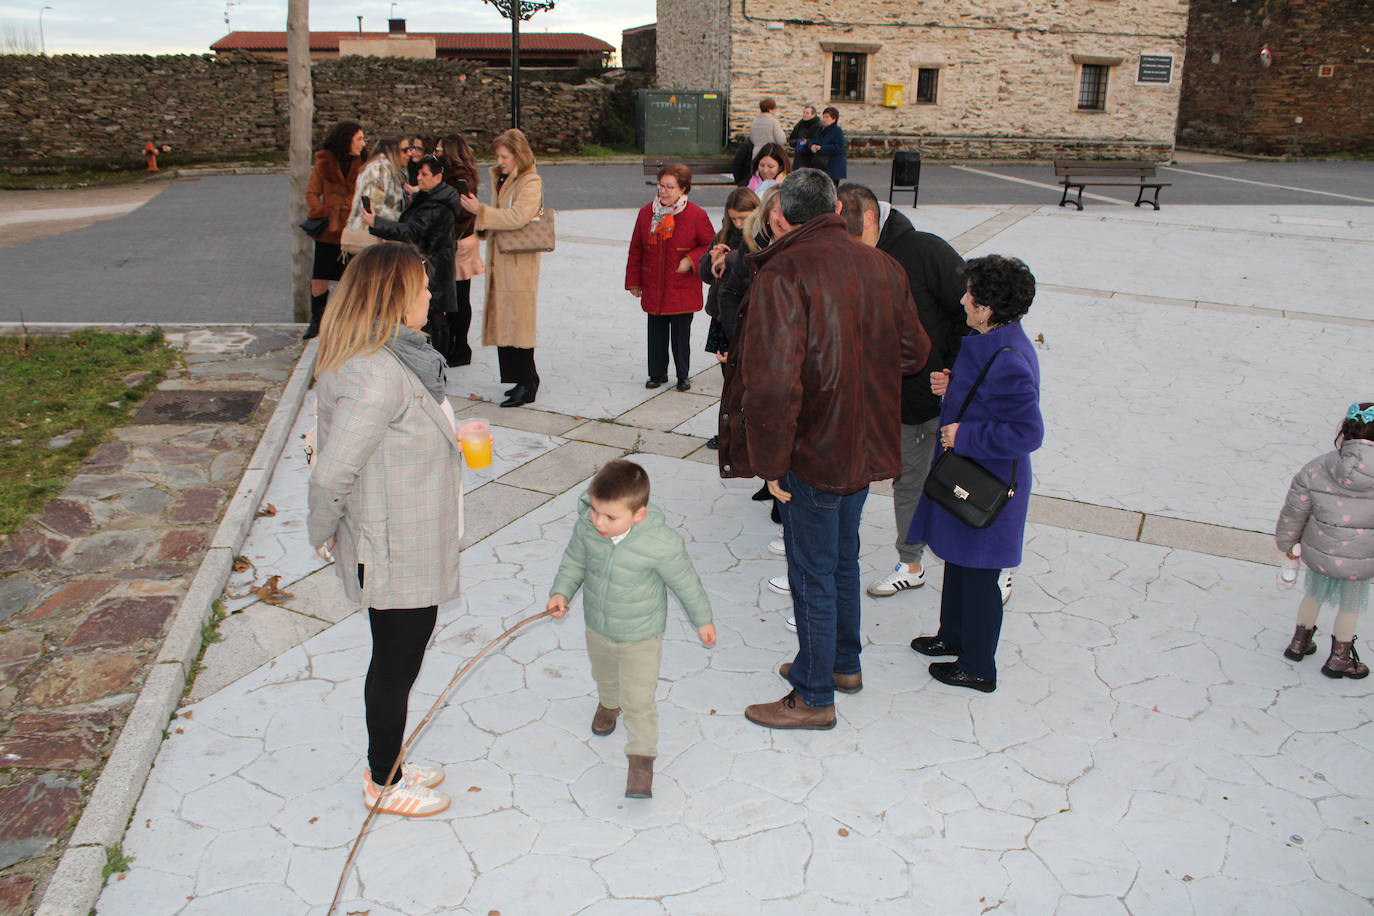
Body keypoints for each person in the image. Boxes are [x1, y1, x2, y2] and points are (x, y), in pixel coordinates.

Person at [719, 169, 931, 729]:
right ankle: (841, 663)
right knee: (841, 558)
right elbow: (915, 352)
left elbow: (771, 383)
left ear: (782, 217)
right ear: (836, 207)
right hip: (862, 443)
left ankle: (813, 696)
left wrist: (772, 463)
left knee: (812, 569)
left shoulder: (784, 270)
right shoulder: (882, 264)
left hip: (812, 446)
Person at [306, 241, 464, 818]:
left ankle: (390, 758)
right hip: (393, 546)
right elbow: (331, 474)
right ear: (396, 297)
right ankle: (382, 781)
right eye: (422, 286)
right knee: (396, 664)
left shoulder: (394, 356)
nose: (431, 294)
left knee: (398, 657)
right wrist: (322, 532)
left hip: (405, 535)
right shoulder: (377, 372)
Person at [908, 255, 1043, 693]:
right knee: (960, 561)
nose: (962, 299)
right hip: (968, 476)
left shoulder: (1010, 358)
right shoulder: (991, 340)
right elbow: (988, 396)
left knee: (981, 573)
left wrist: (965, 435)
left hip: (988, 485)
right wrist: (955, 387)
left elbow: (1026, 432)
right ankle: (953, 637)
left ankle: (978, 665)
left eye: (969, 293)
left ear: (985, 307)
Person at [547, 459, 715, 798]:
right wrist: (561, 591)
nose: (598, 521)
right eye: (595, 511)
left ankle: (641, 759)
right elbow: (574, 561)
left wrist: (703, 619)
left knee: (639, 699)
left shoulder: (661, 543)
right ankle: (609, 703)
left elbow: (686, 582)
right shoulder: (587, 528)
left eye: (610, 517)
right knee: (605, 674)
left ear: (638, 514)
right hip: (598, 624)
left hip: (641, 634)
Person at [835, 183, 969, 601]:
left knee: (962, 483)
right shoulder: (852, 255)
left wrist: (954, 371)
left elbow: (974, 313)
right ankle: (911, 564)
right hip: (890, 400)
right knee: (909, 481)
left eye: (853, 238)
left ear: (871, 219)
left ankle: (990, 566)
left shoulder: (926, 251)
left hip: (940, 395)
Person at [1275, 402, 1374, 678]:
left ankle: (1299, 642)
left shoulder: (1318, 466)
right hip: (1361, 559)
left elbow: (1295, 510)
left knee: (1313, 595)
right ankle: (1339, 658)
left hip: (1320, 549)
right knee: (1350, 606)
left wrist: (1288, 545)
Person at [459, 128, 545, 407]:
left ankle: (528, 382)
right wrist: (482, 218)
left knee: (518, 323)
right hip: (503, 258)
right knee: (506, 321)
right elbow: (502, 216)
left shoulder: (530, 181)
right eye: (498, 156)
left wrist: (479, 212)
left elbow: (518, 216)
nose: (500, 161)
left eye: (504, 155)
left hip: (519, 262)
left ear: (518, 155)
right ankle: (518, 379)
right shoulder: (504, 179)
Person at [362, 155, 463, 365]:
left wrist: (376, 222)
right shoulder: (432, 196)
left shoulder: (438, 203)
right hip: (431, 261)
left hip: (433, 264)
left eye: (424, 174)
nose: (419, 177)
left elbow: (413, 231)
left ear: (438, 176)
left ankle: (435, 363)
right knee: (432, 314)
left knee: (433, 315)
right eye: (418, 173)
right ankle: (434, 362)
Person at [625, 163, 715, 392]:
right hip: (654, 284)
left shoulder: (696, 214)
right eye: (661, 185)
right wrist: (634, 281)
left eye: (669, 187)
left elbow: (710, 245)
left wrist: (691, 260)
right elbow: (636, 248)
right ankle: (657, 373)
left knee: (680, 337)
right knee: (655, 333)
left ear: (683, 189)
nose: (663, 191)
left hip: (681, 287)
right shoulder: (647, 213)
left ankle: (682, 375)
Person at [700, 188, 759, 449]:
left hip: (747, 318)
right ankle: (729, 432)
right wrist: (711, 259)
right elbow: (705, 274)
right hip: (722, 317)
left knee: (748, 383)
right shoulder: (723, 235)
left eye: (743, 217)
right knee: (730, 383)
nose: (738, 223)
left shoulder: (759, 238)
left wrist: (731, 260)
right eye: (733, 218)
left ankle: (746, 433)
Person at [304, 120, 366, 340]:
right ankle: (316, 320)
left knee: (353, 277)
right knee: (320, 275)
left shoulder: (365, 163)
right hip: (329, 229)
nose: (363, 143)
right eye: (359, 138)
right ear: (346, 139)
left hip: (354, 229)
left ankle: (351, 322)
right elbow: (311, 193)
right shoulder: (324, 162)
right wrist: (322, 211)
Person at [436, 133, 481, 367]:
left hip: (459, 243)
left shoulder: (459, 178)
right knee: (457, 297)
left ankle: (460, 347)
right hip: (459, 242)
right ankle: (457, 345)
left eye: (441, 149)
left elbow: (463, 212)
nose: (437, 152)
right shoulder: (456, 175)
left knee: (458, 298)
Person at [343, 138, 406, 251]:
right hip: (373, 236)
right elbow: (373, 207)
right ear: (393, 150)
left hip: (378, 234)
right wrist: (399, 221)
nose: (409, 154)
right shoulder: (379, 169)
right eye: (405, 150)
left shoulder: (387, 168)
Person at [810, 107, 848, 182]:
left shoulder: (837, 130)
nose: (824, 119)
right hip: (821, 164)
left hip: (833, 165)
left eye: (827, 117)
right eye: (823, 117)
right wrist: (812, 146)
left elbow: (839, 147)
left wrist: (822, 148)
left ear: (834, 119)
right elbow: (813, 140)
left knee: (831, 189)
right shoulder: (820, 129)